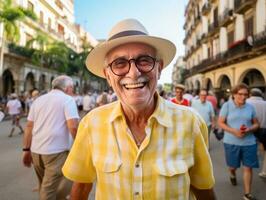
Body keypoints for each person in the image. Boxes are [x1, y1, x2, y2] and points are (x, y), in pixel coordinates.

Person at [62, 18, 216, 200]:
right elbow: (80, 188)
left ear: (158, 68)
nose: (134, 73)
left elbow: (203, 190)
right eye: (119, 63)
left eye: (144, 60)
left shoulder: (190, 123)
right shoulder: (92, 123)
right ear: (108, 76)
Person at [22, 75, 79, 200]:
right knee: (49, 190)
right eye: (72, 88)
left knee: (45, 186)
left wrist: (26, 150)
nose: (73, 91)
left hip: (36, 151)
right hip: (56, 153)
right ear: (68, 88)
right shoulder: (67, 100)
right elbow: (73, 127)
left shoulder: (38, 100)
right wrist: (81, 147)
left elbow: (29, 127)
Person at [218, 83, 259, 200]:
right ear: (234, 94)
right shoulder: (227, 106)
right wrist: (233, 131)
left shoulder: (250, 107)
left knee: (248, 167)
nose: (243, 97)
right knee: (232, 166)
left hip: (249, 142)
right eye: (240, 94)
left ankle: (247, 194)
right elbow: (221, 122)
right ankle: (232, 173)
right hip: (231, 142)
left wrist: (249, 129)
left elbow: (256, 124)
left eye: (246, 94)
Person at [247, 88, 266, 178]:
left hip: (250, 128)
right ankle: (264, 171)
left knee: (249, 146)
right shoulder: (265, 103)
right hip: (264, 128)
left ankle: (248, 166)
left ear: (251, 94)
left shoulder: (247, 103)